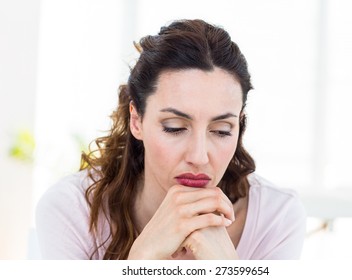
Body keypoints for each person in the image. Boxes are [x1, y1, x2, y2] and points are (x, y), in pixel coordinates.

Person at [36, 19, 306, 260]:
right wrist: (142, 259)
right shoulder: (72, 210)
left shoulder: (276, 217)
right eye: (175, 128)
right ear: (137, 120)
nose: (199, 156)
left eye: (222, 130)